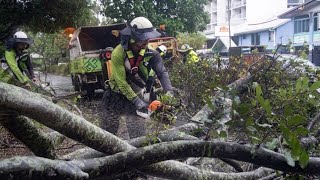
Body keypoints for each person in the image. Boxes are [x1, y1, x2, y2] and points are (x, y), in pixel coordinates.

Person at [100, 17, 174, 138]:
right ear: (133, 38)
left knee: (137, 133)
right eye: (143, 40)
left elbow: (162, 72)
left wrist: (169, 91)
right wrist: (136, 101)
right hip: (115, 95)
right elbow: (121, 83)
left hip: (135, 94)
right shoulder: (118, 53)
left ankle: (137, 153)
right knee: (107, 133)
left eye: (147, 39)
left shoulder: (152, 54)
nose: (146, 43)